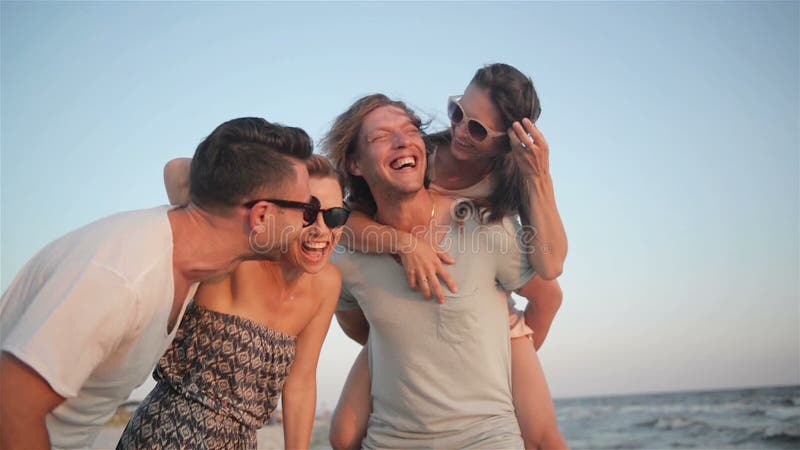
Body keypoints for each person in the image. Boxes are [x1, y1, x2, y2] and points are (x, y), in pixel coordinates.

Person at [0, 117, 314, 449]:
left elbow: (186, 172)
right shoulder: (123, 276)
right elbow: (10, 405)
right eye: (305, 209)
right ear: (262, 215)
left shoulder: (195, 253)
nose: (309, 224)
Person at [328, 64, 568, 449]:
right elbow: (343, 222)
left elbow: (551, 272)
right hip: (403, 299)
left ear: (508, 141)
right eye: (457, 113)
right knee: (341, 435)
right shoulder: (426, 150)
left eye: (476, 129)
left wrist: (480, 354)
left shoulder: (510, 185)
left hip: (490, 304)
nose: (459, 131)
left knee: (544, 435)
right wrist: (402, 244)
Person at [117, 155, 348, 449]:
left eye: (334, 215)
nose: (321, 229)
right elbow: (177, 170)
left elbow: (301, 382)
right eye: (308, 211)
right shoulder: (239, 251)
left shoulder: (327, 283)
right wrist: (269, 184)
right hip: (165, 433)